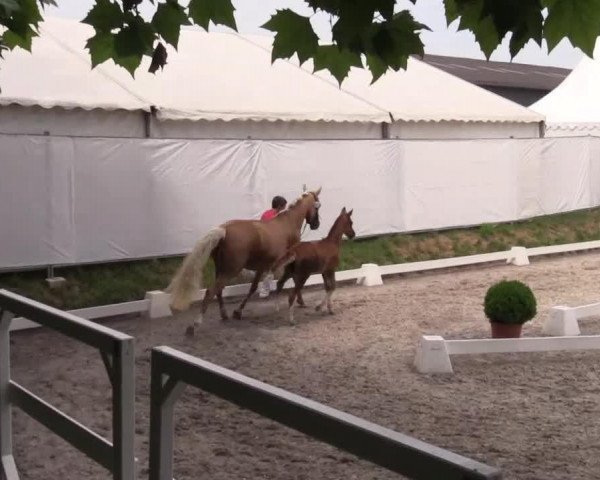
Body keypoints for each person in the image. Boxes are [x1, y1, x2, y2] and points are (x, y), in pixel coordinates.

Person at [258, 195, 287, 298]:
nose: (284, 209)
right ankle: (265, 290)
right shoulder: (277, 216)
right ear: (279, 206)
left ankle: (268, 288)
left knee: (270, 269)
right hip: (272, 246)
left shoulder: (265, 214)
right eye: (284, 206)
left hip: (264, 244)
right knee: (270, 268)